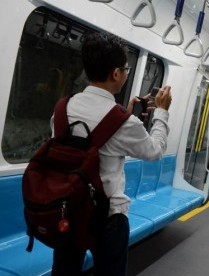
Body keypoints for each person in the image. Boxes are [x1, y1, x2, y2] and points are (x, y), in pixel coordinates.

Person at [51, 32, 172, 276]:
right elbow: (155, 150)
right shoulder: (124, 124)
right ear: (116, 73)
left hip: (67, 210)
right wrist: (161, 112)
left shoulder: (62, 108)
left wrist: (126, 112)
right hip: (107, 219)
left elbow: (84, 142)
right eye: (127, 69)